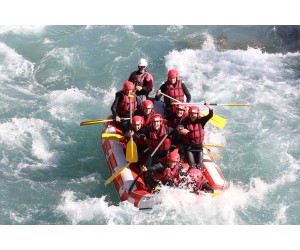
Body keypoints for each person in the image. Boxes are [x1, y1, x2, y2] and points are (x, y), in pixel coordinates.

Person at [178, 102, 213, 170]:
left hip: (199, 148)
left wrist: (210, 108)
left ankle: (199, 177)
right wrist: (180, 130)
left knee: (199, 166)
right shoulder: (185, 121)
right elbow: (179, 127)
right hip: (189, 148)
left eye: (195, 114)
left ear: (197, 114)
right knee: (192, 166)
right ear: (189, 114)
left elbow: (210, 116)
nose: (193, 115)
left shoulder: (202, 121)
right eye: (191, 114)